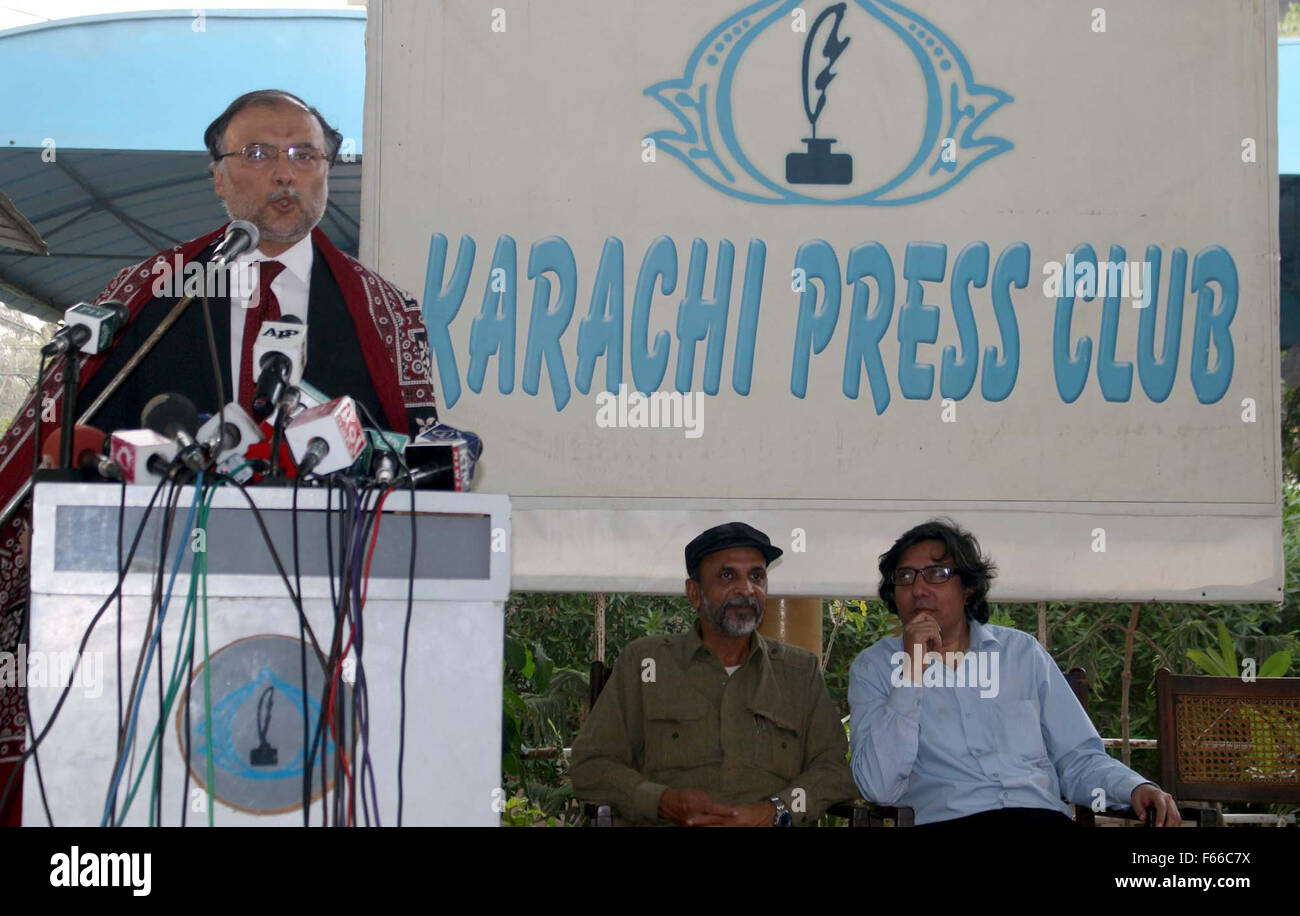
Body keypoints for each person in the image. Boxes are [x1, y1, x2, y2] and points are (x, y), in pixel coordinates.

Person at [0, 89, 438, 825]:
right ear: (217, 176)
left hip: (323, 617)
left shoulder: (384, 312)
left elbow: (422, 465)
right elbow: (61, 433)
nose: (285, 175)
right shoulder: (151, 292)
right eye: (259, 154)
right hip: (148, 612)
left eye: (305, 155)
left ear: (328, 174)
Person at [848, 518, 1181, 827]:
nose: (918, 589)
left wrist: (1134, 787)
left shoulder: (1022, 653)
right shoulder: (874, 668)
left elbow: (1077, 758)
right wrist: (910, 673)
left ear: (968, 588)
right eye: (905, 576)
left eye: (937, 574)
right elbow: (878, 787)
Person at [570, 522, 858, 826]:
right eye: (727, 575)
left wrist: (775, 811)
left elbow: (833, 770)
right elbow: (590, 766)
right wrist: (663, 801)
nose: (747, 589)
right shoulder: (645, 663)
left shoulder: (799, 672)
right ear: (694, 593)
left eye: (757, 576)